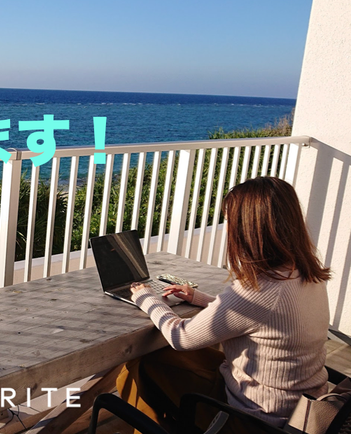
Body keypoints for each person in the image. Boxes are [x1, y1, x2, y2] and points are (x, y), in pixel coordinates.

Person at [118, 176, 332, 431]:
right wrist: (199, 298)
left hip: (254, 419)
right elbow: (261, 317)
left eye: (229, 220)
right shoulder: (306, 273)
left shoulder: (257, 289)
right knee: (159, 361)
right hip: (301, 408)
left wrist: (147, 298)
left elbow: (181, 337)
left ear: (248, 229)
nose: (227, 227)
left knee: (139, 365)